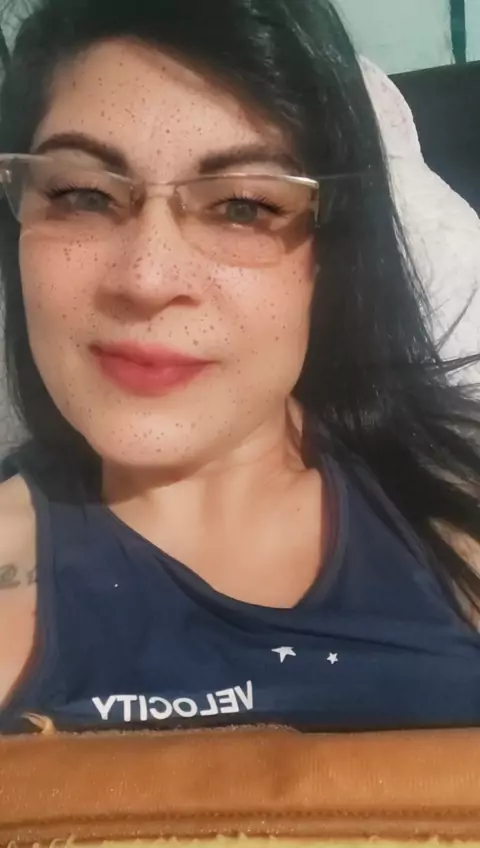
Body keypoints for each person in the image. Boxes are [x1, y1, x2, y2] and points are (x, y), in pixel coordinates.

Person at [0, 0, 479, 735]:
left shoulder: (455, 517)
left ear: (331, 254)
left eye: (243, 207)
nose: (147, 279)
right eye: (83, 195)